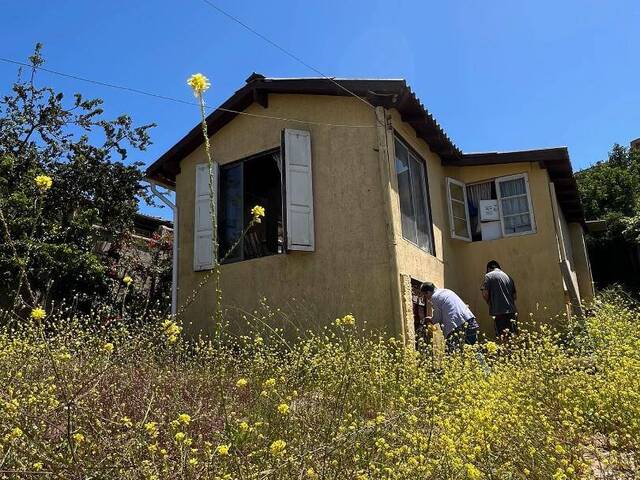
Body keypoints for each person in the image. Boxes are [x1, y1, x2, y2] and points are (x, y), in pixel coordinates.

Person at [420, 282, 479, 352]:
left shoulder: (435, 297)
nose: (426, 299)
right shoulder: (447, 291)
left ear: (428, 292)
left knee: (452, 352)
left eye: (425, 295)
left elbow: (437, 318)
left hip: (456, 326)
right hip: (470, 320)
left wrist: (429, 320)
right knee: (474, 350)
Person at [481, 260, 518, 338]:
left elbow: (485, 294)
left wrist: (490, 303)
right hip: (512, 312)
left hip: (499, 311)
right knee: (513, 337)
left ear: (488, 269)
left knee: (502, 338)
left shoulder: (488, 276)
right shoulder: (508, 277)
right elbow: (514, 296)